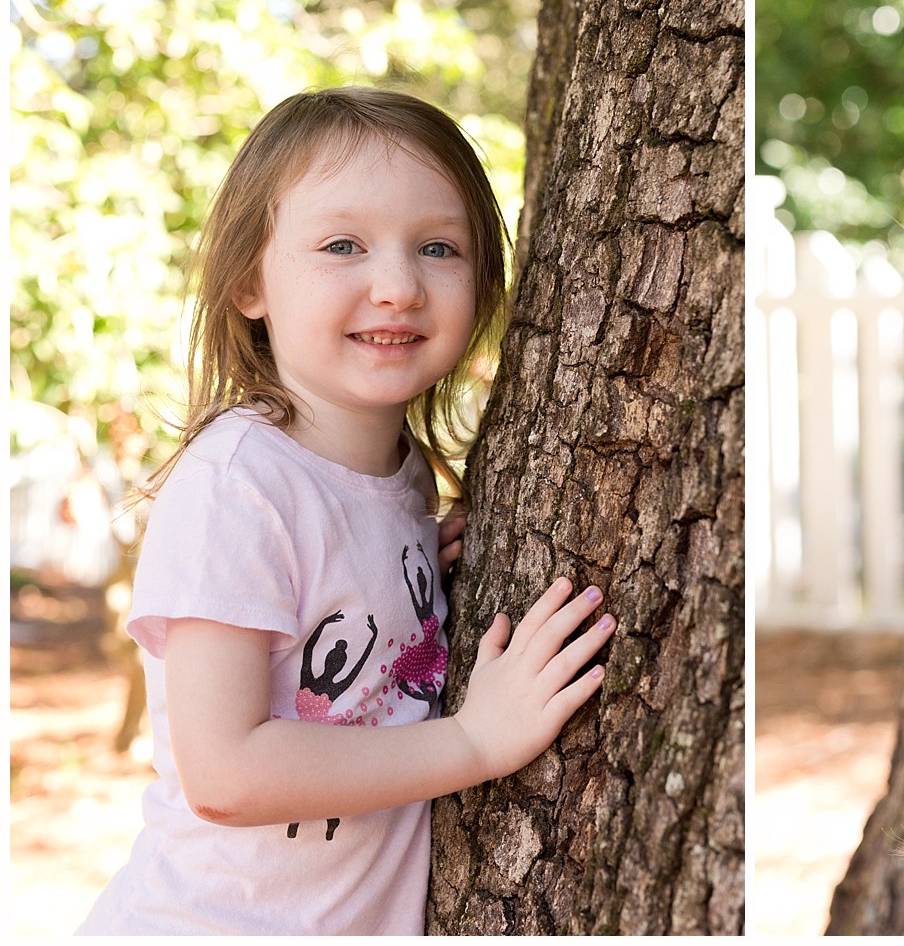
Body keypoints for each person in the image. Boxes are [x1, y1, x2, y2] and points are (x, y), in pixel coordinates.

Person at [79, 87, 617, 934]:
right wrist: (474, 743)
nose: (398, 286)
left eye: (438, 246)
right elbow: (224, 771)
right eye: (342, 245)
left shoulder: (400, 481)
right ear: (249, 280)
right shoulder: (238, 485)